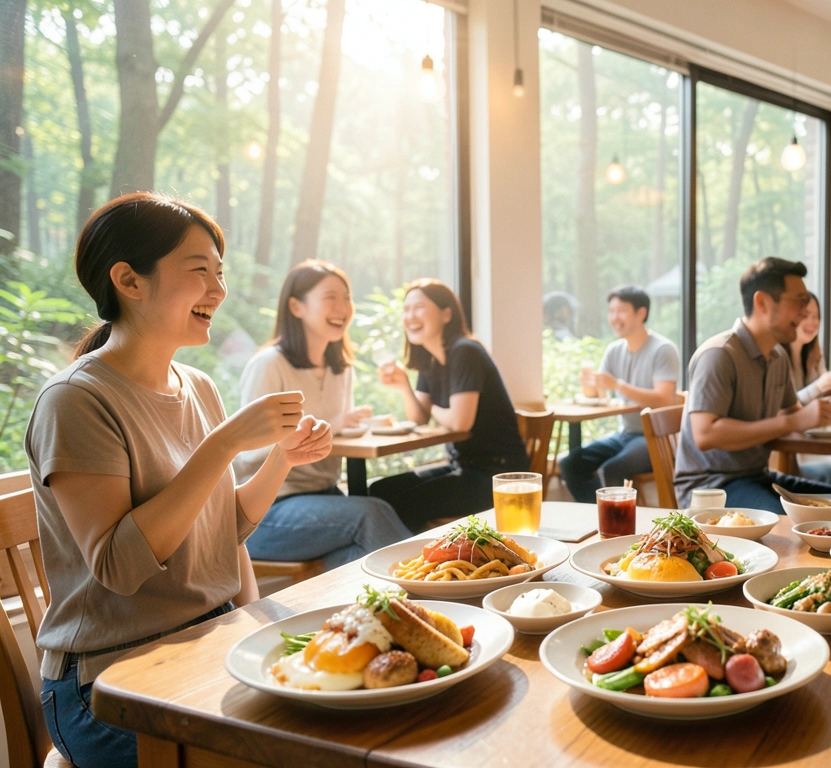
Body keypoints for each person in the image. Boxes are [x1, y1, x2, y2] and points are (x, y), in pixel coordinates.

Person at [24, 193, 331, 768]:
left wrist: (280, 460)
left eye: (220, 273)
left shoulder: (198, 386)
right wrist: (224, 444)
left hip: (207, 643)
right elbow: (119, 567)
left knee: (343, 713)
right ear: (128, 281)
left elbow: (221, 529)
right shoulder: (76, 401)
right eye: (200, 272)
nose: (219, 290)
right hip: (109, 684)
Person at [234, 260, 412, 568]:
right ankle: (434, 586)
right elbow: (248, 449)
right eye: (330, 297)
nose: (343, 308)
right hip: (267, 509)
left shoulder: (341, 369)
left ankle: (420, 591)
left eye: (347, 298)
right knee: (372, 514)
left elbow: (339, 431)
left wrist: (348, 425)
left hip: (324, 497)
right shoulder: (269, 364)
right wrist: (333, 425)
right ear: (296, 307)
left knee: (361, 559)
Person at [674, 257, 831, 512]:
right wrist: (793, 422)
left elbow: (793, 414)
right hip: (710, 488)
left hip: (758, 477)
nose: (805, 310)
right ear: (762, 302)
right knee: (788, 519)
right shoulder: (718, 354)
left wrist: (820, 413)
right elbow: (705, 434)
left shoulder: (778, 357)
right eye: (798, 300)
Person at [369, 278, 529, 530]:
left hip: (497, 475)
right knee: (379, 491)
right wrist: (404, 387)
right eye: (406, 309)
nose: (410, 316)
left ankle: (416, 555)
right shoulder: (430, 360)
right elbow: (418, 419)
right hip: (464, 467)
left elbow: (459, 422)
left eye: (419, 307)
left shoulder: (466, 352)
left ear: (446, 314)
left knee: (404, 504)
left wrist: (431, 405)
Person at [559, 285, 680, 502]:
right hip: (625, 433)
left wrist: (618, 385)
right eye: (611, 311)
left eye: (621, 311)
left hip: (656, 437)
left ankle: (617, 520)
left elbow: (663, 399)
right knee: (570, 464)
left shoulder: (663, 349)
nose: (614, 317)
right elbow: (597, 394)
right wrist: (589, 382)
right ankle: (599, 514)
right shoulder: (614, 350)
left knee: (613, 469)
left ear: (641, 313)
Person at [787, 292, 831, 486]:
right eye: (805, 315)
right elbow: (785, 406)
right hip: (793, 447)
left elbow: (823, 401)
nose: (812, 322)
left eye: (816, 316)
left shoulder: (814, 355)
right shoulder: (778, 357)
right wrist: (819, 386)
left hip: (813, 440)